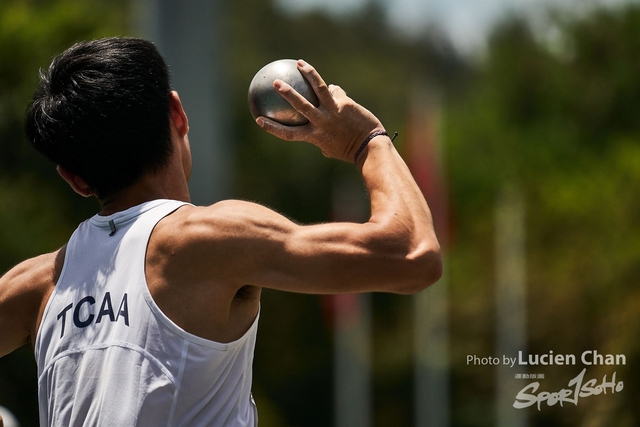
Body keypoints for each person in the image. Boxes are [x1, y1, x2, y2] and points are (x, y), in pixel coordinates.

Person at [0, 37, 442, 426]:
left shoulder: (36, 284)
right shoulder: (210, 239)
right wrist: (366, 141)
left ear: (74, 178)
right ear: (176, 112)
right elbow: (413, 255)